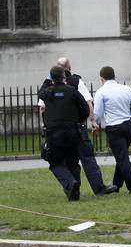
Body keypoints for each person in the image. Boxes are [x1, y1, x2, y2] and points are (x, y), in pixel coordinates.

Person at [38, 58, 118, 196]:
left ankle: (72, 187)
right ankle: (98, 188)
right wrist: (86, 121)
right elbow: (87, 105)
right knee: (86, 158)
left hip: (54, 131)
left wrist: (46, 124)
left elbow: (41, 108)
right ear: (68, 70)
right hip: (75, 129)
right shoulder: (74, 85)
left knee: (66, 161)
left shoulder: (47, 91)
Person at [39, 66, 90, 201]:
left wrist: (48, 79)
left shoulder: (48, 92)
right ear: (64, 76)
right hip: (72, 131)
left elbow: (40, 94)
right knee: (73, 162)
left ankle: (69, 183)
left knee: (55, 163)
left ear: (51, 77)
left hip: (54, 133)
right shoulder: (72, 91)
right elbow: (85, 109)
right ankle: (75, 194)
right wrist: (77, 119)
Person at [93, 66, 131, 194]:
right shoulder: (126, 89)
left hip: (114, 128)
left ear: (102, 79)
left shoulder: (101, 92)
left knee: (122, 158)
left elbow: (98, 113)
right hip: (128, 127)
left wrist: (96, 125)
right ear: (114, 76)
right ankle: (116, 184)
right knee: (121, 156)